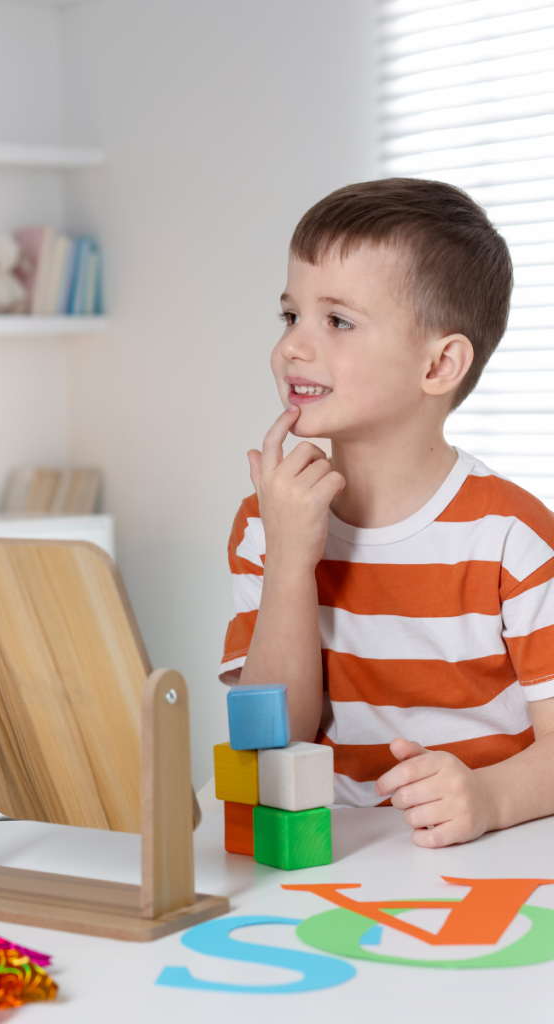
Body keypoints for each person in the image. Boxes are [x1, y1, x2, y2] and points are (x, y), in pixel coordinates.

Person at [221, 178, 554, 848]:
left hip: (491, 854)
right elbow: (270, 744)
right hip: (337, 853)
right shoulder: (267, 522)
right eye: (290, 316)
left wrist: (488, 797)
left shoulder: (512, 538)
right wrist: (290, 562)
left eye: (338, 322)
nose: (292, 347)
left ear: (440, 364)